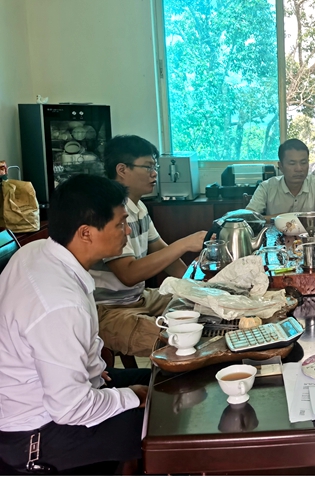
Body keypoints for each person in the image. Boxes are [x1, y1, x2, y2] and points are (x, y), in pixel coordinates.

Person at [0, 175, 150, 473]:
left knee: (162, 382)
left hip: (54, 394)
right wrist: (131, 396)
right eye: (120, 224)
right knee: (165, 424)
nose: (127, 230)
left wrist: (93, 371)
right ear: (86, 233)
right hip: (37, 431)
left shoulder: (37, 251)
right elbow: (71, 408)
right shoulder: (59, 303)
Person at [92, 135, 207, 357]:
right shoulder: (109, 211)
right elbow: (128, 274)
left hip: (139, 297)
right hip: (109, 309)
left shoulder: (139, 207)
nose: (154, 174)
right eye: (147, 167)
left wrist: (196, 288)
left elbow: (165, 254)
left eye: (155, 167)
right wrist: (184, 243)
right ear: (122, 169)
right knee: (179, 342)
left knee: (205, 309)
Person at [246, 138, 315, 227]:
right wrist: (294, 218)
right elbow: (248, 219)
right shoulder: (266, 187)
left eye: (303, 163)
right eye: (292, 163)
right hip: (276, 235)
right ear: (281, 166)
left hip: (309, 235)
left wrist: (278, 219)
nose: (299, 169)